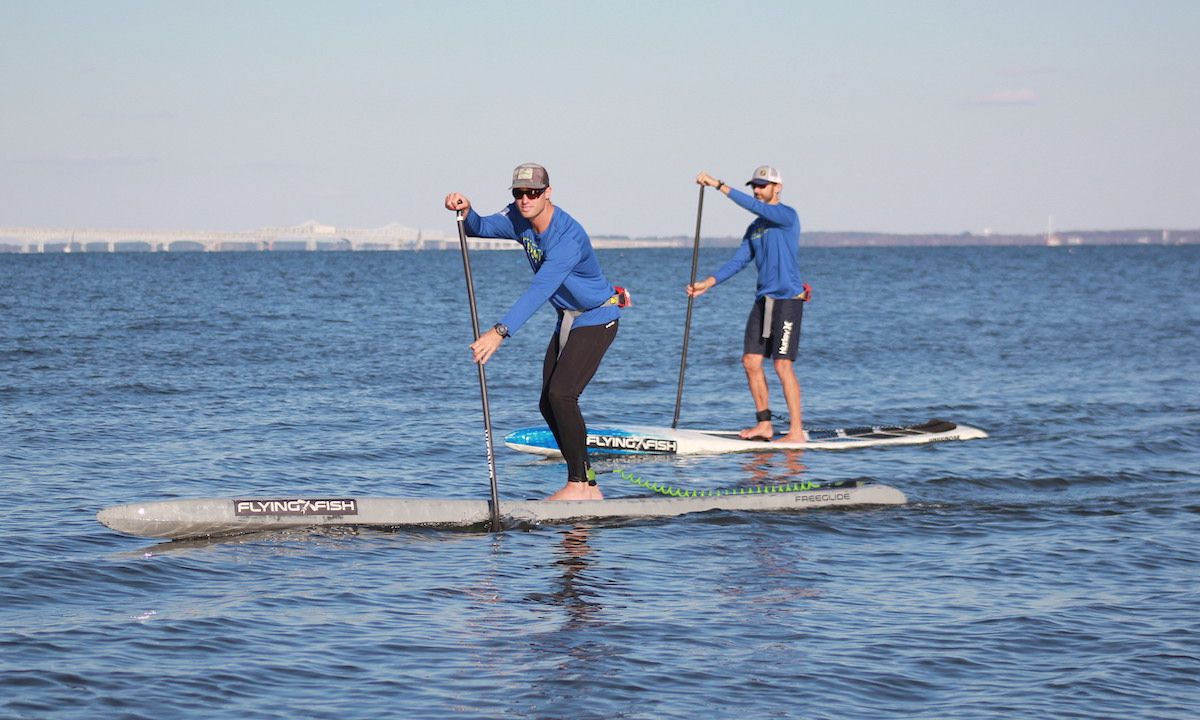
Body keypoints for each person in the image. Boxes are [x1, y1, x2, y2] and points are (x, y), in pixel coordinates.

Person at [444, 163, 621, 500]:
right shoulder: (518, 218)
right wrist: (467, 212)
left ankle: (577, 485)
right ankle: (590, 486)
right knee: (547, 402)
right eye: (519, 193)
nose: (525, 199)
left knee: (562, 395)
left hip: (598, 317)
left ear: (548, 193)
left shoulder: (567, 236)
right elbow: (478, 228)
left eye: (533, 193)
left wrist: (499, 332)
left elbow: (540, 289)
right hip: (568, 317)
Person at [686, 165, 809, 443]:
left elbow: (754, 206)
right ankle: (764, 425)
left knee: (781, 365)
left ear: (777, 188)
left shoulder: (786, 216)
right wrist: (709, 282)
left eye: (762, 185)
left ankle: (796, 431)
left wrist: (719, 185)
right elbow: (740, 260)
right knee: (751, 362)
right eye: (754, 185)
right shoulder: (755, 228)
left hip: (788, 299)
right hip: (763, 301)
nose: (757, 190)